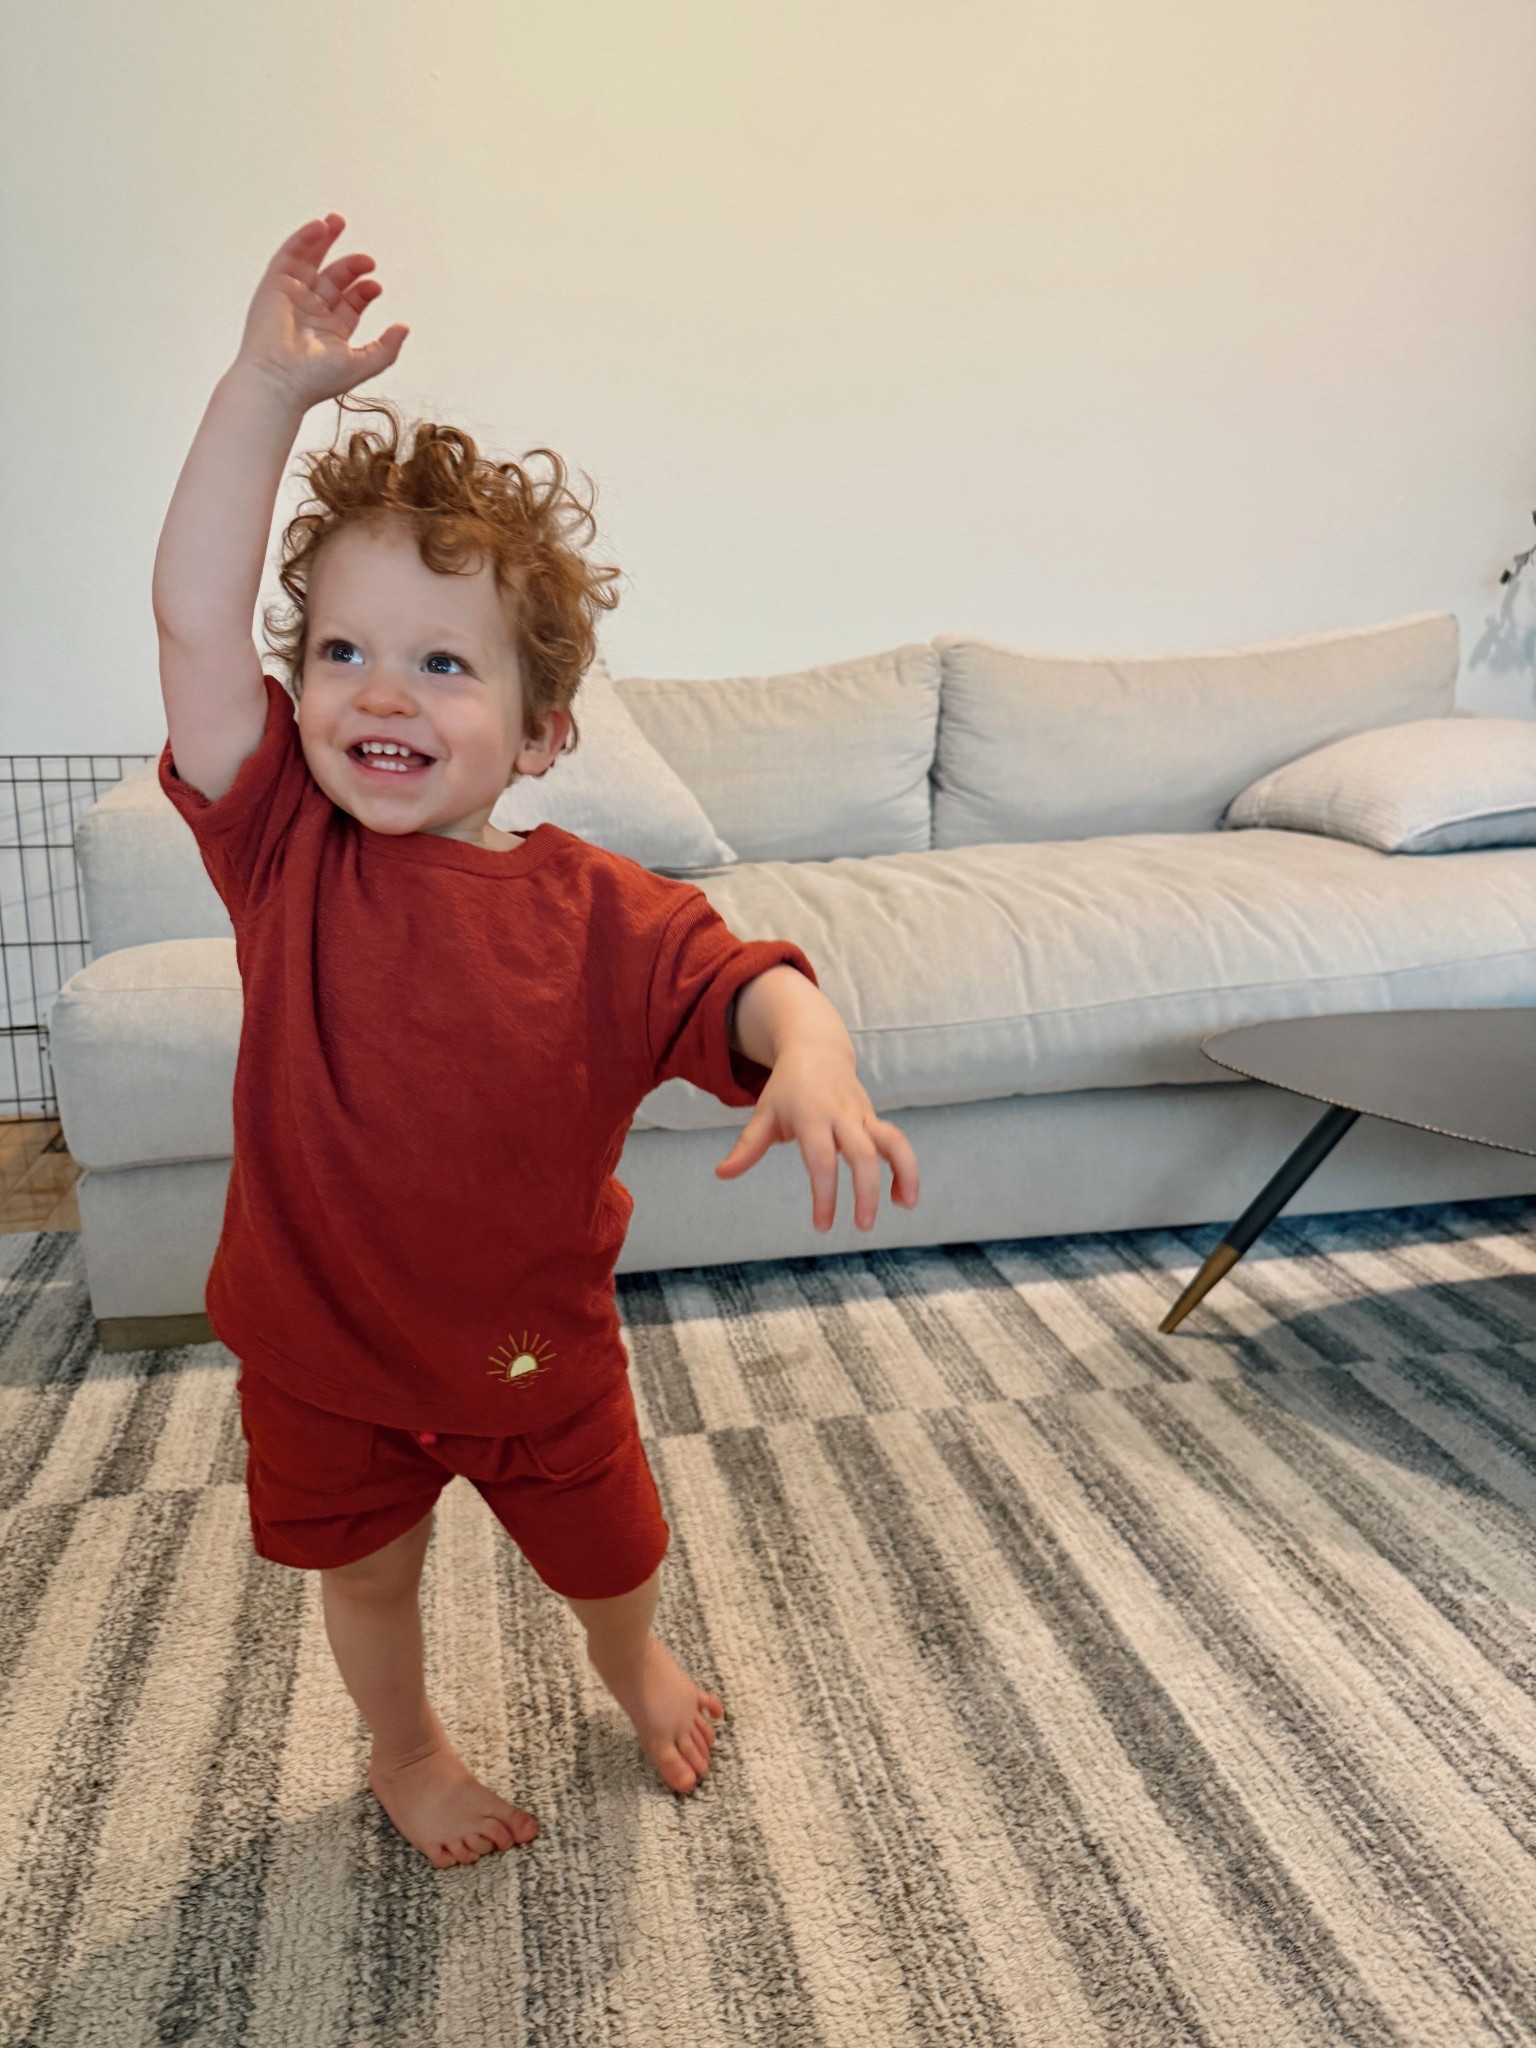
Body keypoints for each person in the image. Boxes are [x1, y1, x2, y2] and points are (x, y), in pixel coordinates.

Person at [151, 212, 921, 1870]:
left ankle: (627, 1660)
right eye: (344, 654)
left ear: (543, 727)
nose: (381, 694)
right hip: (320, 1351)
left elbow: (742, 983)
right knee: (363, 1577)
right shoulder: (281, 842)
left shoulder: (599, 912)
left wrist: (815, 1047)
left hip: (530, 1354)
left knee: (613, 1553)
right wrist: (258, 400)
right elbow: (197, 628)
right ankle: (405, 1748)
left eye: (442, 664)